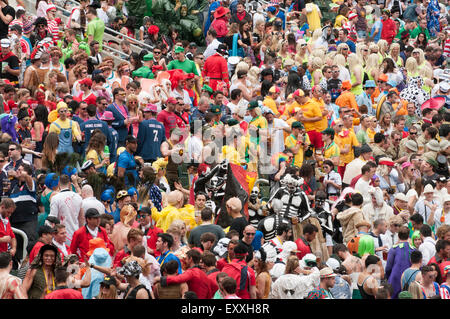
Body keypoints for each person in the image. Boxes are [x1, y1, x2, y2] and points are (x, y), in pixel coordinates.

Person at [48, 174, 83, 246]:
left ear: (58, 183)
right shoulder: (78, 197)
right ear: (70, 183)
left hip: (61, 235)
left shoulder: (56, 198)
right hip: (75, 233)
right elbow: (81, 218)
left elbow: (52, 219)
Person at [386, 226, 417, 298]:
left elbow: (388, 267)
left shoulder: (393, 249)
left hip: (395, 279)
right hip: (409, 279)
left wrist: (387, 277)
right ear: (409, 235)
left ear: (398, 235)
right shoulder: (414, 249)